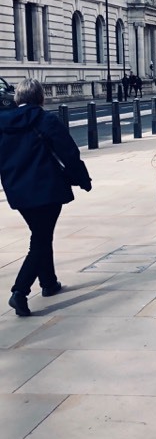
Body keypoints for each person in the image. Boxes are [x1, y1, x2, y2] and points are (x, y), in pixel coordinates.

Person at [0, 79, 92, 317]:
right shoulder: (46, 119)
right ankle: (20, 291)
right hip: (47, 189)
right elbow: (69, 152)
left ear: (17, 99)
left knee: (41, 234)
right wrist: (83, 179)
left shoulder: (2, 123)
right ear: (40, 98)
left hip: (17, 190)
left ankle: (49, 283)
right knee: (40, 239)